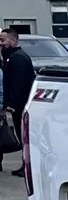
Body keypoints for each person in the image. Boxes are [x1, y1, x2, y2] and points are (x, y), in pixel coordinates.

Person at [1, 26, 36, 177]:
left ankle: (27, 166)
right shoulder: (12, 57)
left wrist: (11, 106)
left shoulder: (18, 58)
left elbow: (17, 84)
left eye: (3, 40)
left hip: (21, 105)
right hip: (20, 104)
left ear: (13, 40)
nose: (0, 43)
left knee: (23, 137)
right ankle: (25, 165)